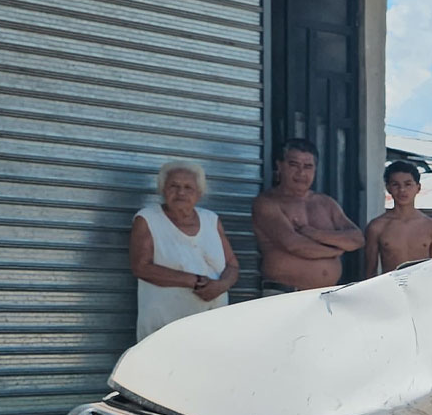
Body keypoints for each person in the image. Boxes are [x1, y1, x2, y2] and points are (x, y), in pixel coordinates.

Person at [129, 160, 239, 340]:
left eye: (188, 187)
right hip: (164, 326)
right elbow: (141, 267)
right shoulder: (148, 219)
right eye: (174, 186)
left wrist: (221, 285)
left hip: (212, 324)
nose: (181, 192)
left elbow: (232, 265)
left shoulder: (211, 219)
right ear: (162, 190)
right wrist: (194, 281)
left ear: (200, 193)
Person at [251, 138, 364, 293]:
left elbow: (357, 239)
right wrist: (336, 249)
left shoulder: (326, 202)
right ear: (280, 165)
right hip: (284, 294)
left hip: (327, 294)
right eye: (294, 165)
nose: (301, 173)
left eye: (308, 166)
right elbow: (295, 245)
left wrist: (316, 234)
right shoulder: (267, 203)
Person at [364, 161, 432, 276]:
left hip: (421, 288)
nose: (402, 190)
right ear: (388, 188)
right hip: (389, 288)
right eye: (396, 184)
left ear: (418, 187)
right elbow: (369, 272)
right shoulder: (377, 226)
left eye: (408, 184)